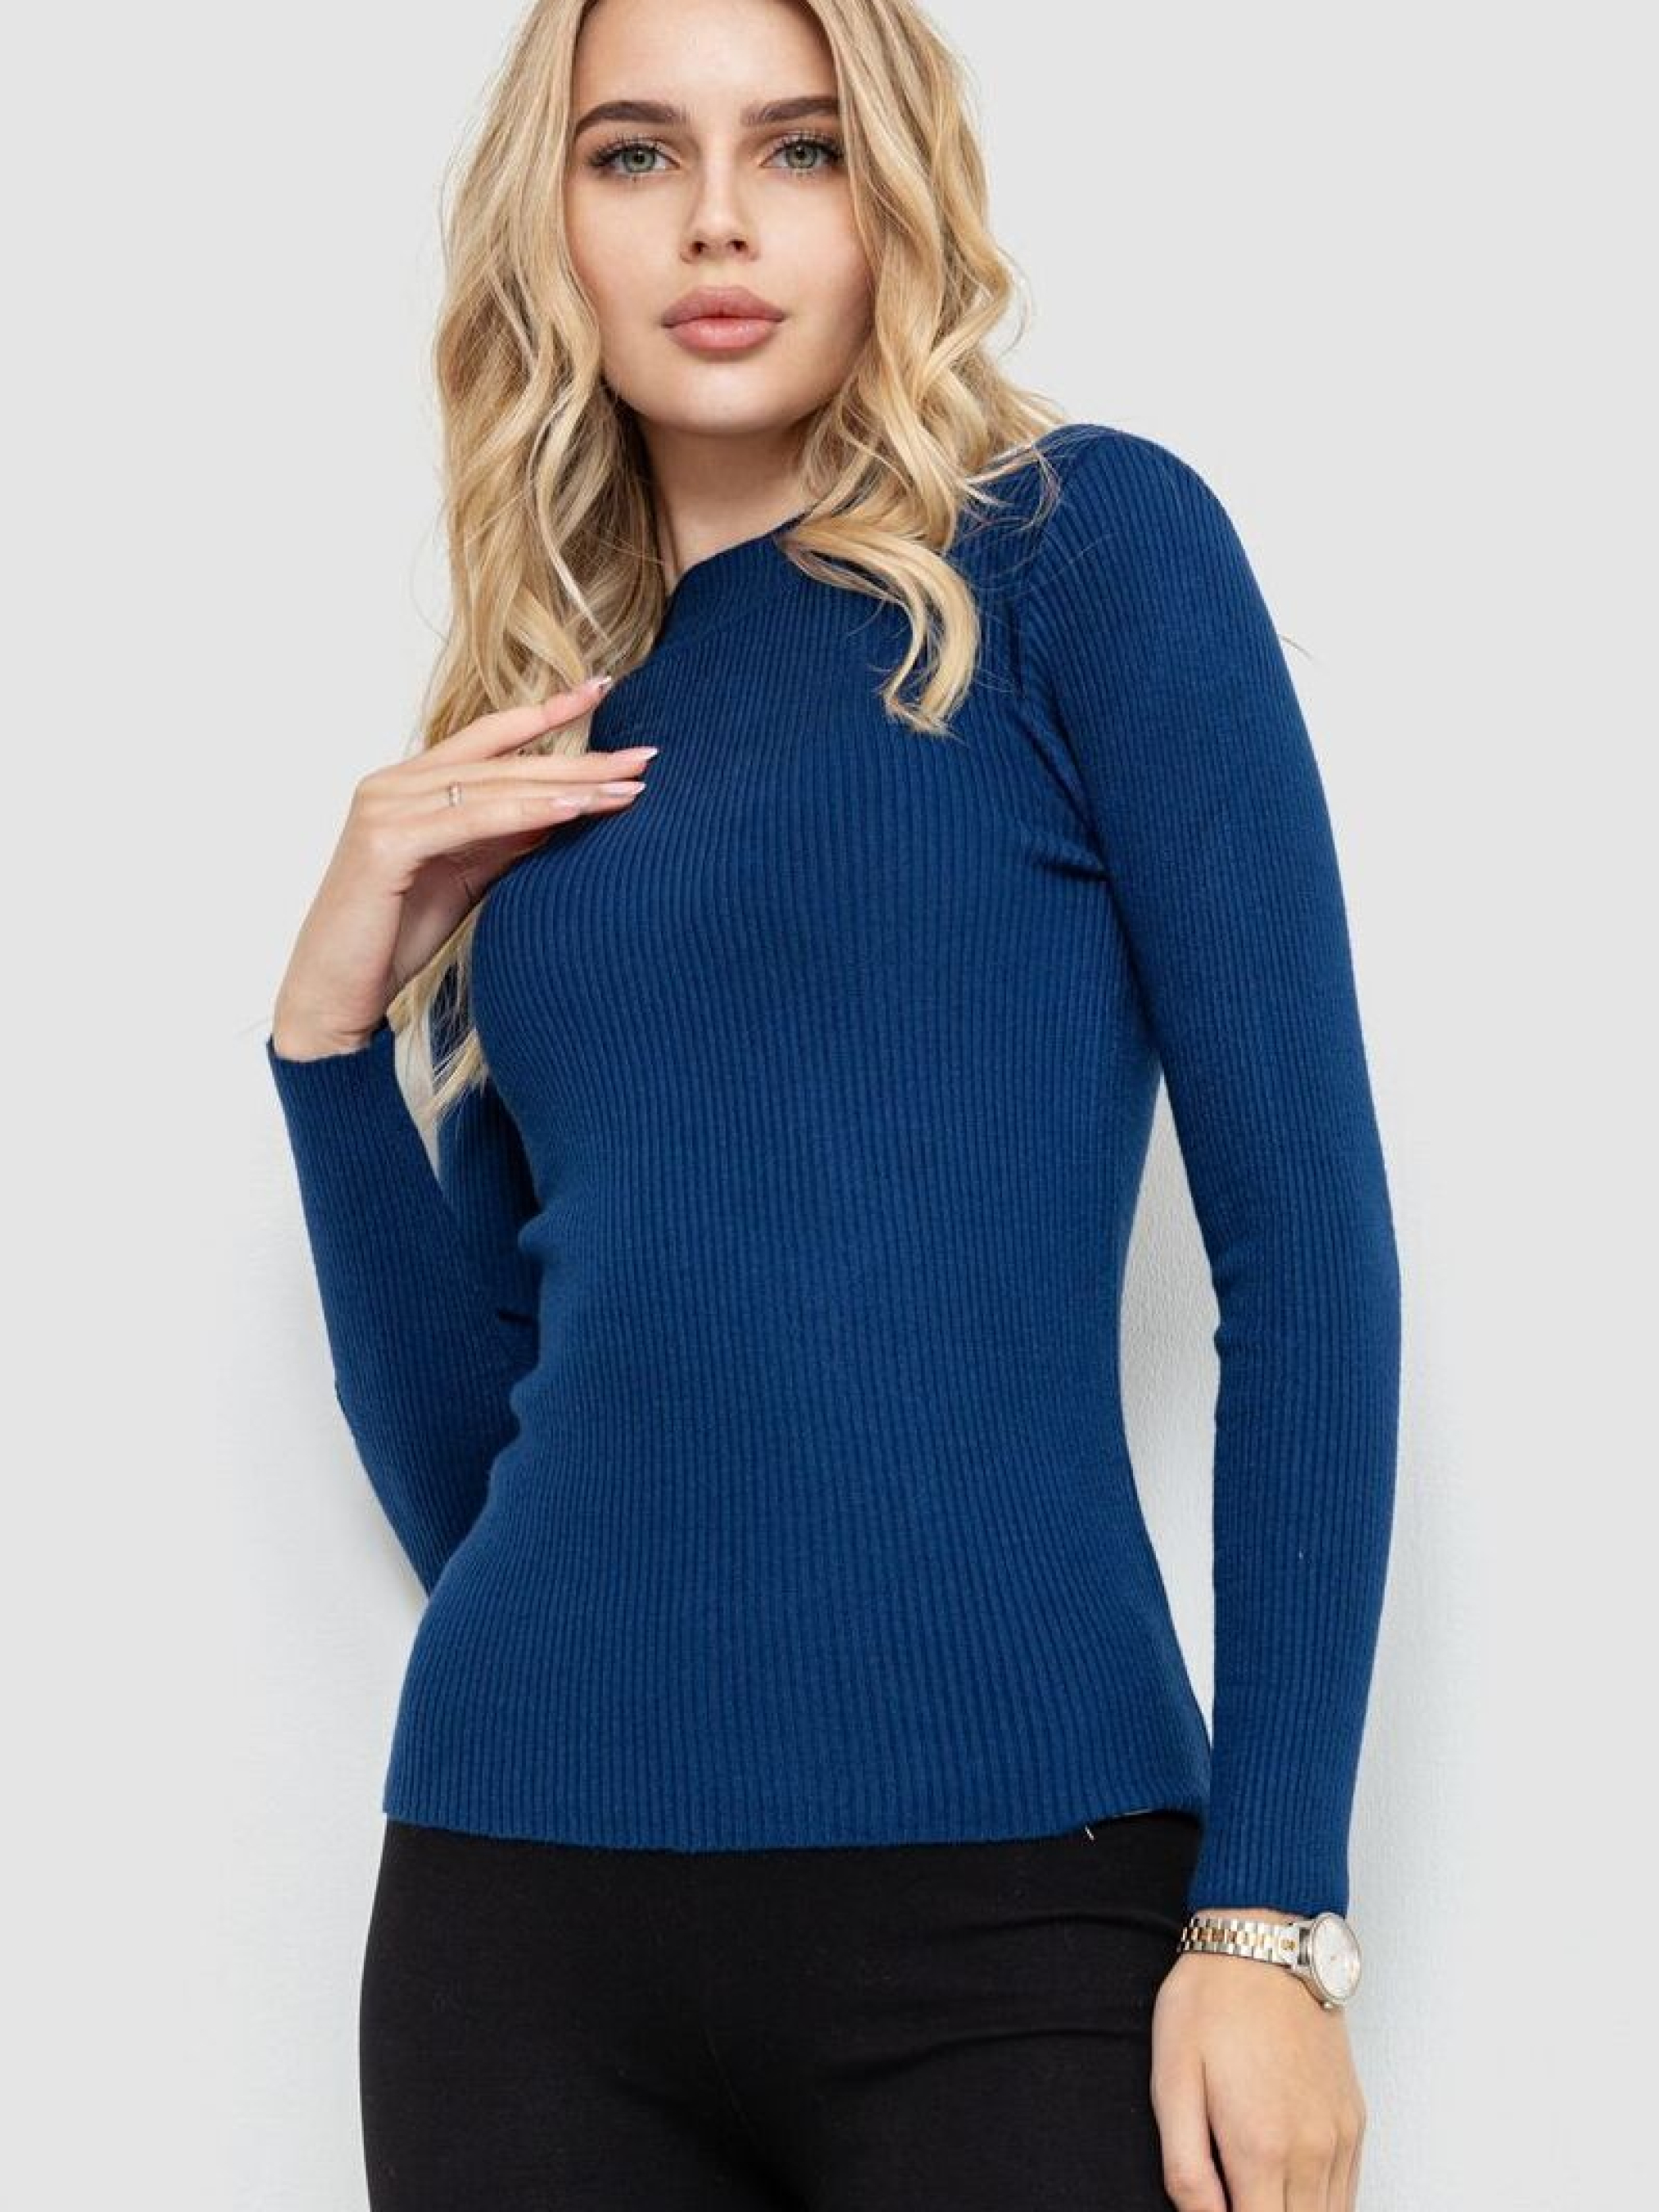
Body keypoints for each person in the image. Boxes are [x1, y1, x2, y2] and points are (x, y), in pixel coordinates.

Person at [265, 1, 1400, 2205]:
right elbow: (477, 1487)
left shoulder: (1080, 556)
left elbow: (1304, 1254)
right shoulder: (550, 736)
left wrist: (1270, 1911)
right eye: (634, 153)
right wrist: (328, 1039)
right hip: (518, 1921)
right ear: (548, 222)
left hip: (1020, 1904)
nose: (718, 220)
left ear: (896, 195)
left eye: (798, 149)